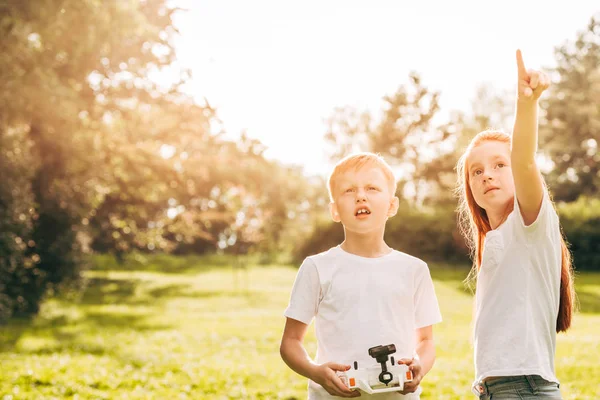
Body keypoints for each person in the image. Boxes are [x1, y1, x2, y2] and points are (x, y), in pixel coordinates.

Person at [455, 50, 575, 399]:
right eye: (476, 171)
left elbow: (524, 160)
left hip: (524, 389)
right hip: (498, 389)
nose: (487, 174)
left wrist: (527, 104)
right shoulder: (495, 240)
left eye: (498, 165)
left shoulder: (530, 225)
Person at [280, 152, 442, 399]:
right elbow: (290, 342)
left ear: (392, 205)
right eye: (349, 191)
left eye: (372, 188)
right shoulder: (317, 268)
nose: (361, 196)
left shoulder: (414, 270)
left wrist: (421, 366)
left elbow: (426, 342)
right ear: (335, 211)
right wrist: (315, 371)